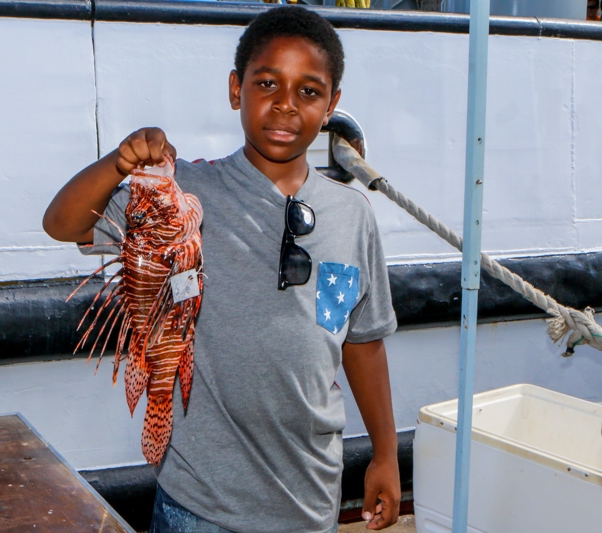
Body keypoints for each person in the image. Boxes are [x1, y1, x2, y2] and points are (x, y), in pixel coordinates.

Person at [43, 6, 399, 532]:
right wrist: (120, 164)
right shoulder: (181, 192)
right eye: (266, 83)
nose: (284, 105)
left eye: (308, 91)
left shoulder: (353, 215)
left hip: (311, 504)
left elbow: (362, 343)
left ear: (331, 106)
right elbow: (63, 222)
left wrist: (386, 454)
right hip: (198, 504)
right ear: (237, 90)